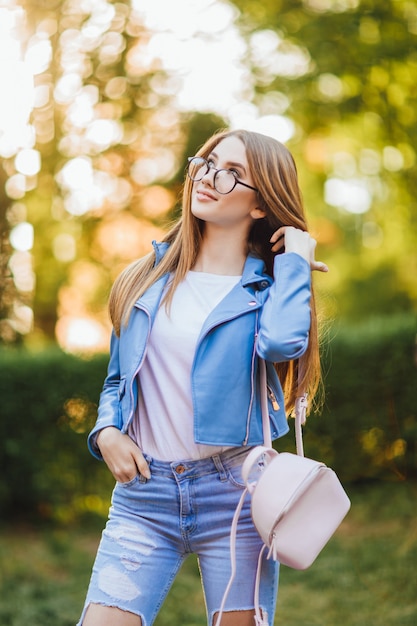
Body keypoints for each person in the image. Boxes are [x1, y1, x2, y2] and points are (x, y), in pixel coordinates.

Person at [77, 128, 328, 626]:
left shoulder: (268, 290)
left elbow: (281, 344)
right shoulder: (142, 279)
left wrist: (294, 261)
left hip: (237, 498)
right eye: (208, 162)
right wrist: (106, 431)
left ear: (261, 206)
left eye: (234, 174)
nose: (210, 178)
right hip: (144, 497)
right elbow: (117, 382)